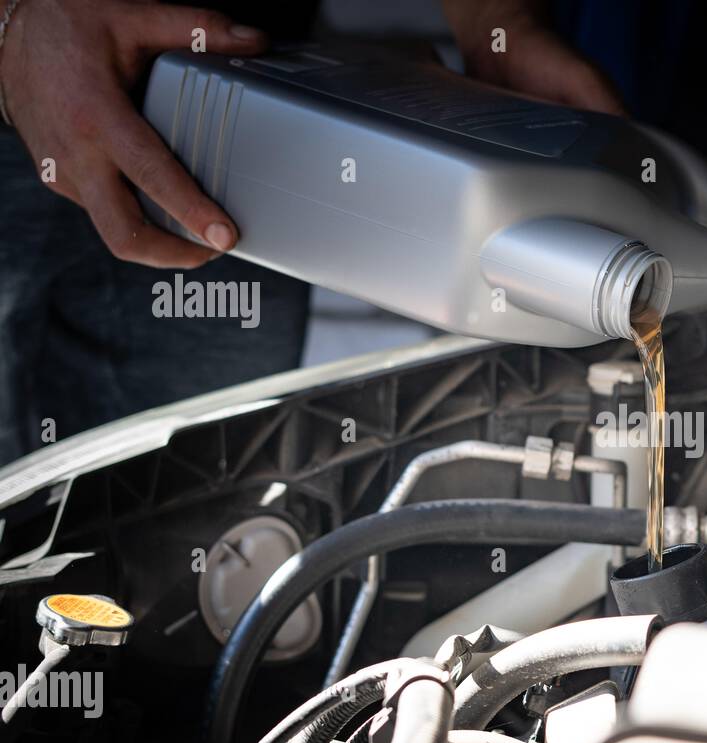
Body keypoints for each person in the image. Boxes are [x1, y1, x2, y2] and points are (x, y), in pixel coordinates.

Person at [0, 0, 623, 466]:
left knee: (167, 501)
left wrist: (496, 20)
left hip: (236, 120)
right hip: (38, 95)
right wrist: (14, 36)